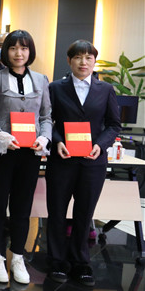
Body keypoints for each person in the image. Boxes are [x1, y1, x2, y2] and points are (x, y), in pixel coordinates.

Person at [46, 40, 120, 286]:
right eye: (78, 57)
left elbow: (113, 125)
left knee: (84, 212)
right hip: (62, 159)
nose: (83, 62)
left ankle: (80, 262)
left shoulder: (105, 89)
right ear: (69, 61)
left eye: (89, 57)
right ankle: (56, 260)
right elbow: (46, 120)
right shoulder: (55, 88)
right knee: (57, 211)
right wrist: (57, 141)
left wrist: (101, 144)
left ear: (94, 61)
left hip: (92, 161)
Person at [0, 29, 51, 284]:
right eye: (13, 48)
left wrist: (45, 137)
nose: (18, 53)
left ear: (30, 51)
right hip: (2, 152)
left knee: (23, 207)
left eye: (24, 48)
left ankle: (18, 257)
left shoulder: (41, 80)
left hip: (30, 153)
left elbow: (46, 117)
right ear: (5, 51)